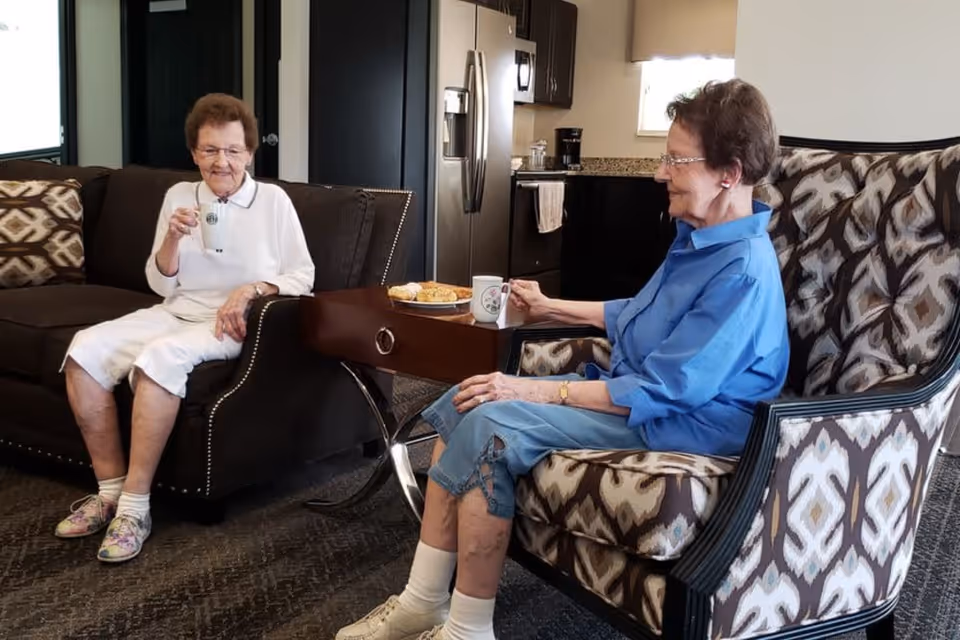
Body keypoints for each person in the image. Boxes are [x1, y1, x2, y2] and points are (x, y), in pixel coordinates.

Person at [336, 78, 790, 640]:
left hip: (683, 426)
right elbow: (636, 315)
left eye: (676, 160)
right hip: (643, 398)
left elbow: (664, 390)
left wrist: (526, 388)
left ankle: (467, 630)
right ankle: (422, 602)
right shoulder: (698, 238)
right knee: (462, 401)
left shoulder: (740, 270)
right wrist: (550, 306)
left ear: (730, 173)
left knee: (493, 424)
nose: (658, 173)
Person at [54, 93, 315, 563]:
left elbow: (303, 275)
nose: (222, 162)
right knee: (84, 350)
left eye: (233, 151)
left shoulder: (272, 201)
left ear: (249, 154)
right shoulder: (178, 196)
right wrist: (172, 238)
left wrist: (252, 289)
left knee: (159, 359)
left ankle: (135, 509)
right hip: (175, 309)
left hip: (232, 323)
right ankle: (109, 493)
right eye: (211, 150)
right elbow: (158, 282)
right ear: (194, 153)